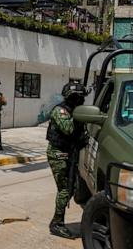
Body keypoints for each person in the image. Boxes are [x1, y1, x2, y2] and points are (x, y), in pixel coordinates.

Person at [46, 81, 87, 239]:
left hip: (68, 153)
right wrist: (79, 116)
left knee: (71, 187)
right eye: (77, 97)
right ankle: (57, 223)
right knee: (65, 189)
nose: (80, 100)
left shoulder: (74, 111)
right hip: (58, 154)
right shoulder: (60, 111)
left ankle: (57, 220)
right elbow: (69, 129)